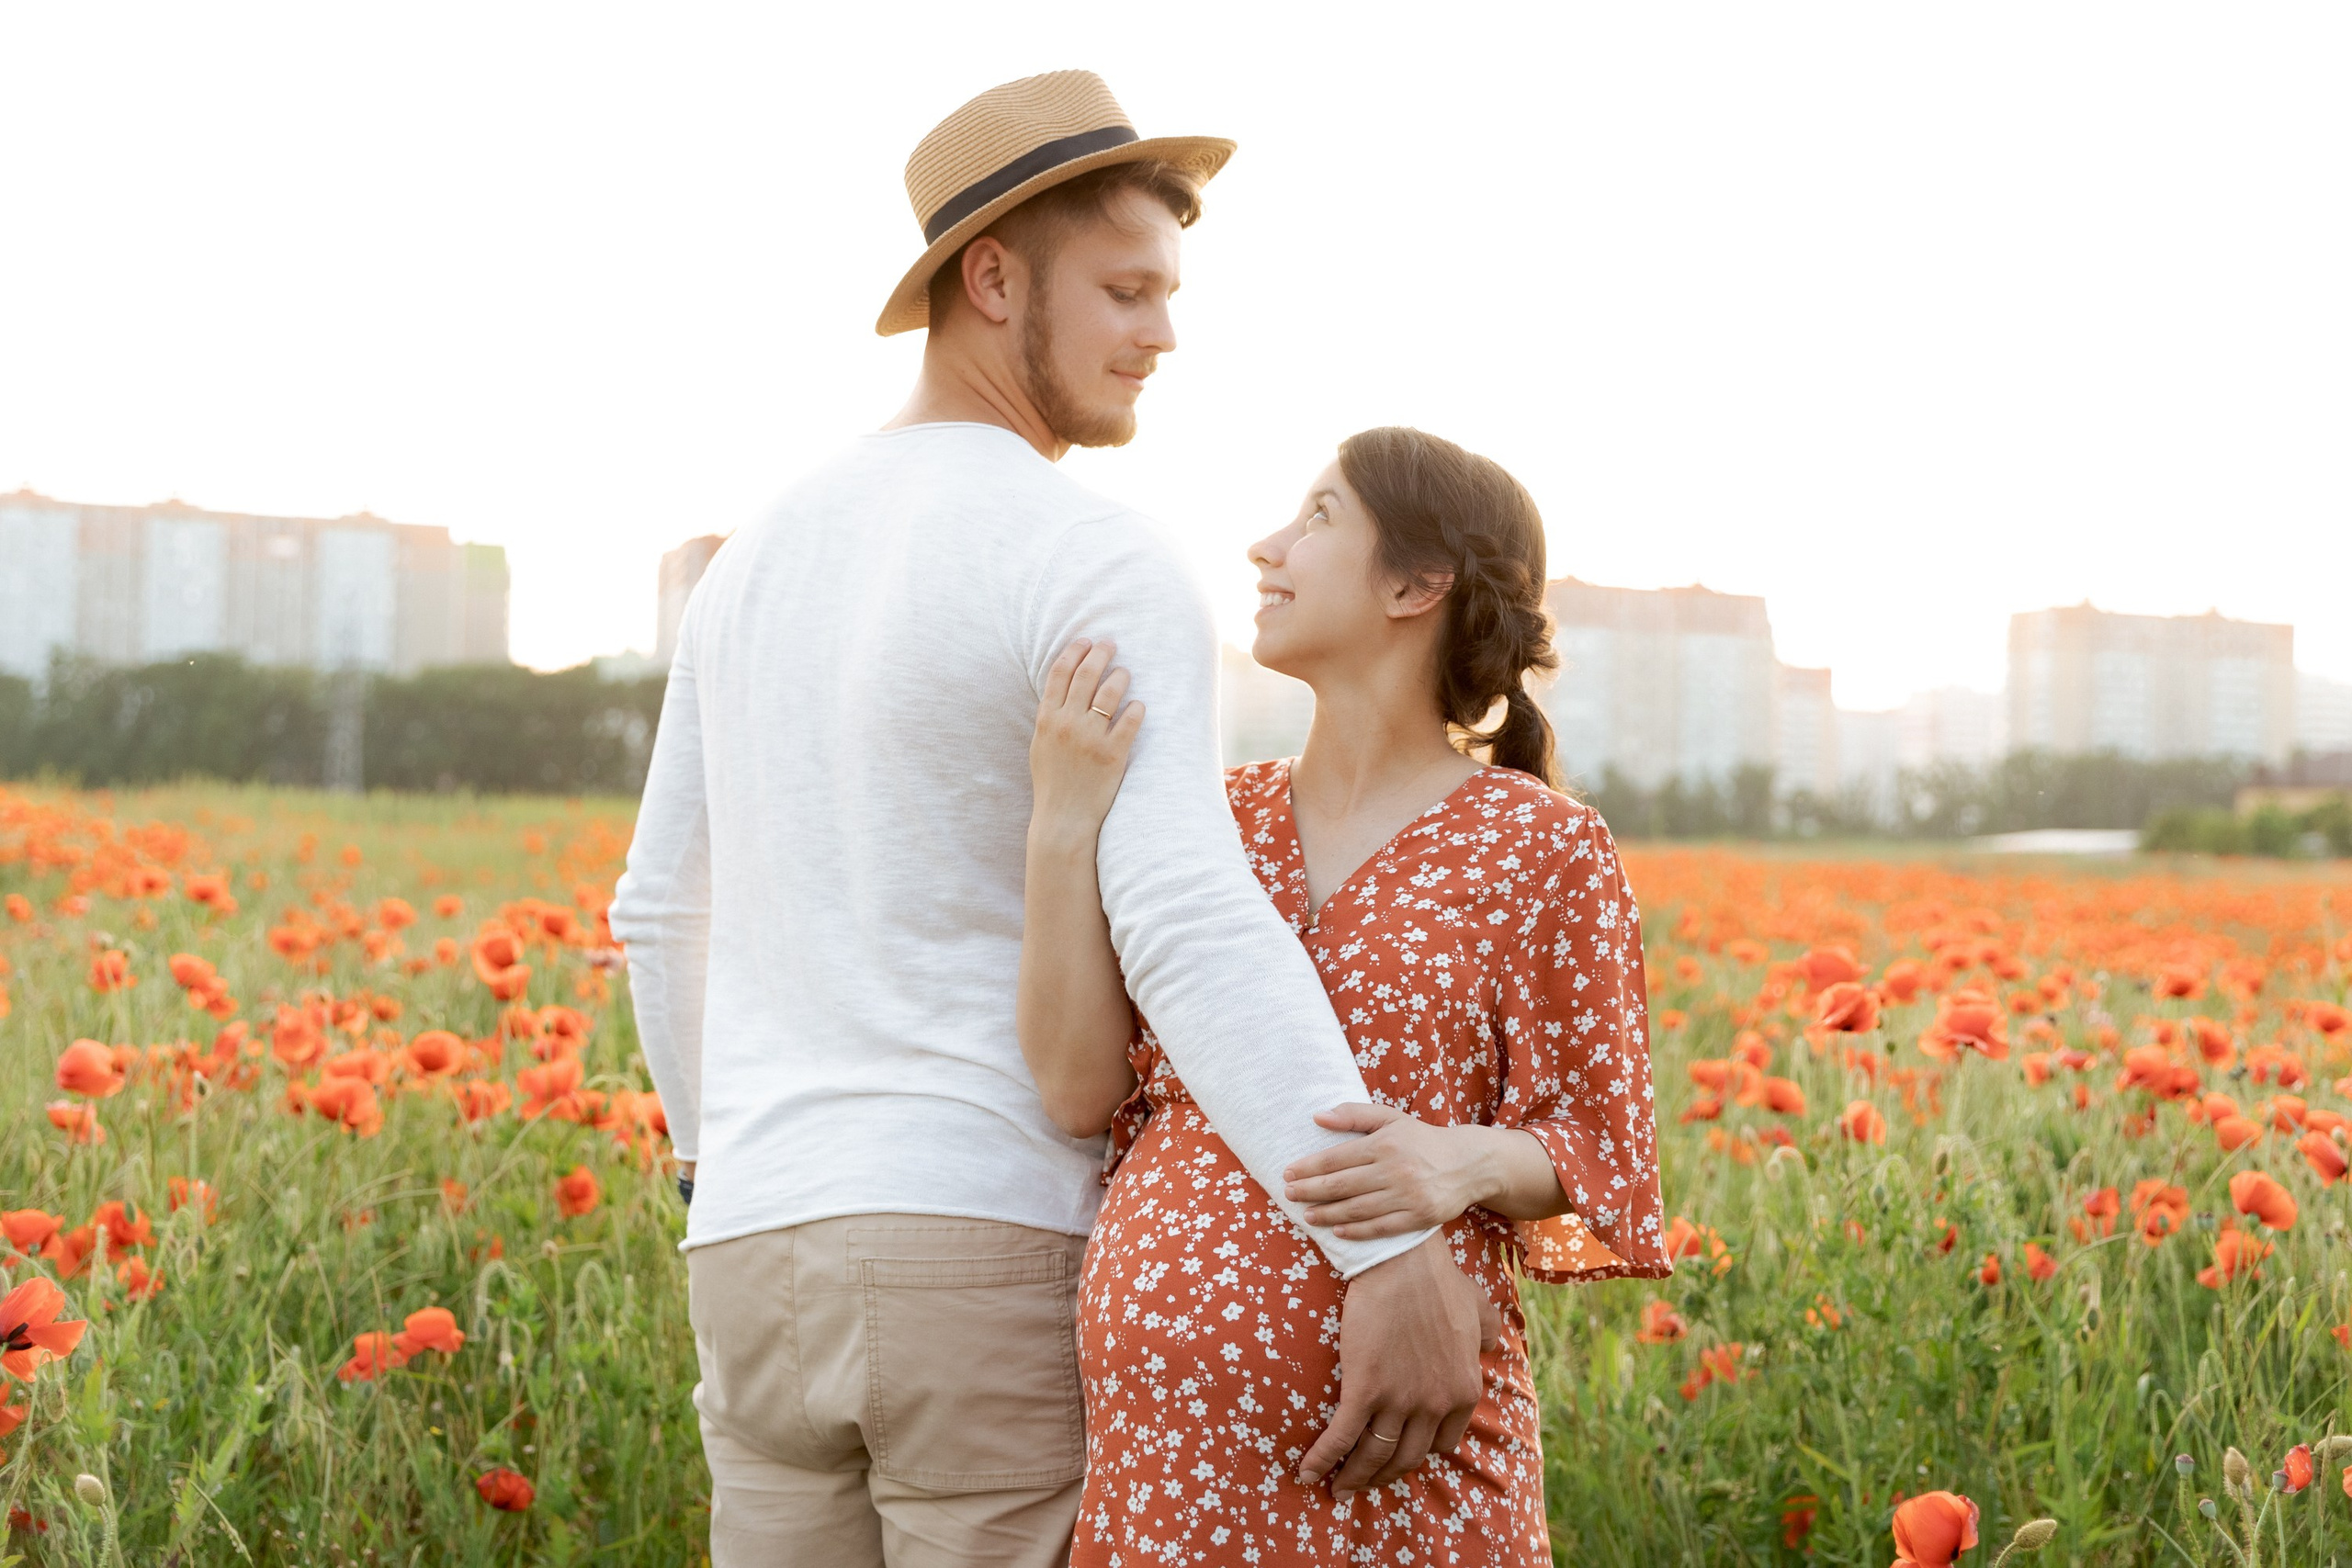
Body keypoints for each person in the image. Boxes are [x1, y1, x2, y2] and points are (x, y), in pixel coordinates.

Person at [608, 72, 1488, 1568]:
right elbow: (1190, 917)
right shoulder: (1086, 552)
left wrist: (722, 1160)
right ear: (993, 278)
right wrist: (1386, 1235)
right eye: (1127, 290)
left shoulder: (752, 558)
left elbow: (659, 910)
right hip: (976, 1239)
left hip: (751, 1253)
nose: (1163, 335)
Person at [1020, 427, 1672, 1565]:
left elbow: (1601, 1147)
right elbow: (1079, 1086)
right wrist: (1063, 820)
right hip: (1165, 1462)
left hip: (1404, 1465)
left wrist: (1456, 1162)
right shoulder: (1201, 817)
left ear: (1418, 583)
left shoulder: (1541, 844)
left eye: (1318, 518)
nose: (1267, 547)